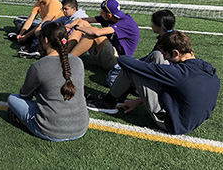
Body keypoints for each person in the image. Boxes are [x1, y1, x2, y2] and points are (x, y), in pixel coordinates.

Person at [88, 31, 220, 135]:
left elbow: (126, 62)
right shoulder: (208, 69)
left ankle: (109, 102)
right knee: (155, 55)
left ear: (175, 53)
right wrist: (138, 100)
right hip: (187, 116)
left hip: (172, 122)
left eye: (166, 55)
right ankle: (122, 95)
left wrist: (121, 58)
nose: (165, 58)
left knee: (131, 71)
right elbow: (184, 93)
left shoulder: (179, 73)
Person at [7, 22, 88, 141]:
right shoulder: (78, 62)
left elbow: (25, 95)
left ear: (45, 40)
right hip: (81, 128)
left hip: (50, 130)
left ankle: (23, 120)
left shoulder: (38, 66)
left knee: (12, 99)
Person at [105, 9, 176, 87]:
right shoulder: (168, 37)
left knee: (116, 79)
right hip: (164, 73)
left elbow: (156, 61)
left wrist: (135, 64)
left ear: (160, 26)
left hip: (162, 75)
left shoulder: (166, 42)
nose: (151, 24)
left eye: (152, 22)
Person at [66, 0, 140, 71]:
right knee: (83, 24)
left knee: (92, 34)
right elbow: (81, 20)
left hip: (118, 62)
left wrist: (77, 28)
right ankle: (64, 54)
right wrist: (70, 26)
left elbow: (97, 33)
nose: (100, 14)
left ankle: (68, 60)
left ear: (109, 15)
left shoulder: (127, 23)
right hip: (107, 55)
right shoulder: (110, 18)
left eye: (102, 12)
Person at [18, 0, 88, 58]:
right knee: (47, 25)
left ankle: (38, 49)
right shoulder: (66, 17)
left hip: (76, 47)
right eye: (62, 9)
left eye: (66, 9)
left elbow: (70, 33)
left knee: (53, 33)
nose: (63, 11)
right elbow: (49, 23)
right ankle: (38, 48)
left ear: (74, 9)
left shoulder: (80, 17)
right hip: (66, 43)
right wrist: (40, 27)